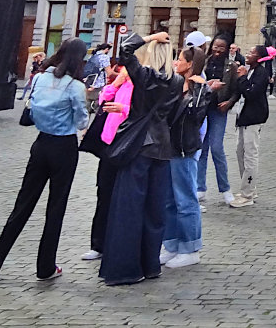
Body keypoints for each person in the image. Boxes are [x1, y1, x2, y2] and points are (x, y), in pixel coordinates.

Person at [0, 39, 89, 282]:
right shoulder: (75, 87)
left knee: (23, 204)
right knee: (56, 208)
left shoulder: (40, 78)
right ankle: (45, 267)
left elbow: (32, 108)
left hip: (41, 144)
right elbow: (82, 121)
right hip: (64, 147)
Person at [99, 31, 182, 286]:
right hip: (162, 147)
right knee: (154, 209)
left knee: (128, 207)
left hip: (139, 146)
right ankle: (150, 265)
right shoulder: (177, 81)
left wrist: (150, 37)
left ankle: (125, 268)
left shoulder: (144, 76)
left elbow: (125, 49)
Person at [161, 44, 214, 269]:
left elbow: (196, 116)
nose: (176, 62)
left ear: (190, 64)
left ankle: (191, 247)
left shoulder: (199, 88)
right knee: (170, 200)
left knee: (185, 200)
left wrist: (200, 90)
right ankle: (172, 244)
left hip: (185, 148)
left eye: (179, 59)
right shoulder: (176, 85)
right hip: (170, 147)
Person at [82, 64, 132, 262]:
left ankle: (120, 242)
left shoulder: (143, 83)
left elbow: (145, 112)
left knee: (124, 195)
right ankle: (98, 244)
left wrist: (124, 109)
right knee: (104, 193)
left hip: (128, 143)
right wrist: (116, 83)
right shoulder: (123, 83)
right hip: (108, 143)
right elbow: (103, 102)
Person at [228, 43, 272, 207]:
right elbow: (239, 91)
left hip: (254, 118)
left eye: (252, 52)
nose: (248, 54)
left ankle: (247, 195)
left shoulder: (261, 73)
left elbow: (251, 93)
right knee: (240, 152)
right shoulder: (250, 71)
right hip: (243, 117)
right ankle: (247, 187)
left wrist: (242, 78)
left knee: (250, 155)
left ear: (259, 57)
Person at [198, 34, 238, 205]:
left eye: (221, 47)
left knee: (216, 147)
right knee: (201, 148)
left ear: (227, 49)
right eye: (215, 46)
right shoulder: (204, 62)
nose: (217, 50)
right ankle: (200, 188)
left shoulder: (231, 66)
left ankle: (225, 188)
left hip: (218, 110)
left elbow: (237, 90)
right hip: (202, 108)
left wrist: (229, 102)